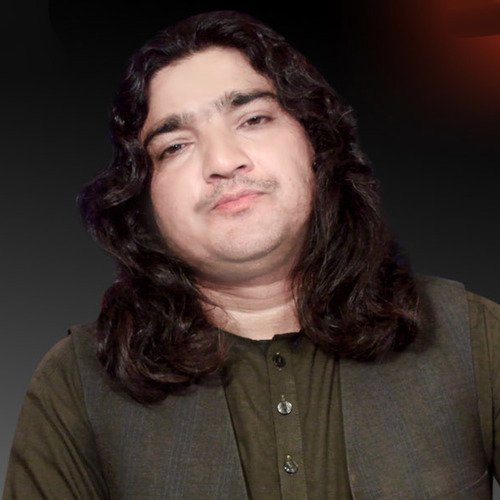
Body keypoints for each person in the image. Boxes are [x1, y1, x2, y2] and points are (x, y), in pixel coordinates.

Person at [3, 10, 499, 499]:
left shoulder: (471, 337)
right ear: (142, 197)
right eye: (175, 146)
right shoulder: (77, 382)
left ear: (316, 142)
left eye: (253, 119)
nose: (222, 161)